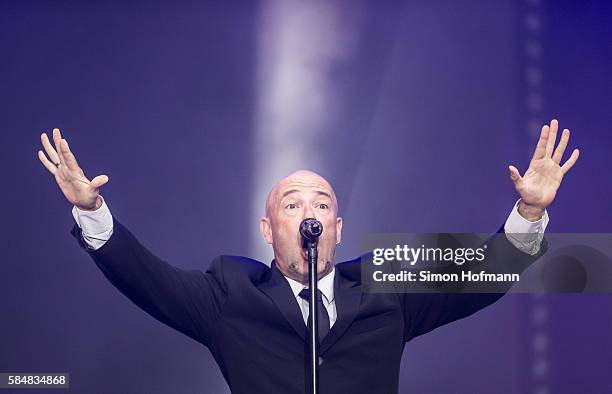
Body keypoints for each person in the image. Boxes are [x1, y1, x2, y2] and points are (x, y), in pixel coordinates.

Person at [37, 120, 579, 393]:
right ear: (267, 230)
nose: (308, 212)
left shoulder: (383, 284)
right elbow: (146, 278)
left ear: (338, 229)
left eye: (321, 203)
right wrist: (93, 210)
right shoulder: (230, 291)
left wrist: (528, 213)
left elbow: (479, 276)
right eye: (291, 204)